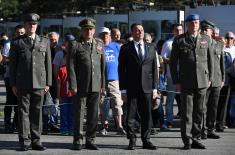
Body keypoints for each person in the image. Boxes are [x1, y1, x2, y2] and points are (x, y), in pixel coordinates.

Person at [170, 14, 213, 150]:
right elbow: (173, 63)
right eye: (192, 22)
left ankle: (196, 138)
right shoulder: (179, 40)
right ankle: (187, 140)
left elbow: (211, 60)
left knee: (199, 112)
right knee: (187, 113)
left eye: (196, 22)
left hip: (202, 80)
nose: (195, 24)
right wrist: (176, 81)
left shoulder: (206, 39)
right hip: (186, 81)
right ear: (187, 25)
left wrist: (210, 77)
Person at [9, 13, 52, 151]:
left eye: (34, 24)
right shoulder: (17, 42)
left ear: (37, 26)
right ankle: (25, 141)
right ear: (25, 25)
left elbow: (48, 64)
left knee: (37, 112)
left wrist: (48, 83)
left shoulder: (44, 41)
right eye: (29, 24)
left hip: (40, 83)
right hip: (23, 83)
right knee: (23, 113)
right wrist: (13, 84)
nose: (32, 26)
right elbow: (13, 66)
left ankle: (36, 140)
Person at [118, 23, 158, 150]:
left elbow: (154, 69)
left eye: (141, 30)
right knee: (130, 115)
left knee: (147, 115)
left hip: (147, 87)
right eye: (136, 30)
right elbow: (121, 70)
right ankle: (132, 139)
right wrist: (123, 89)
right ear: (132, 32)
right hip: (131, 87)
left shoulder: (151, 47)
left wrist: (155, 88)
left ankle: (146, 140)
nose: (139, 32)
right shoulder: (126, 48)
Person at [67, 18, 105, 150]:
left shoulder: (99, 43)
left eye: (91, 29)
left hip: (95, 85)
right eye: (86, 29)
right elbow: (70, 66)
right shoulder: (75, 44)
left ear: (94, 30)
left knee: (93, 115)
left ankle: (91, 140)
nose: (88, 31)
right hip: (80, 86)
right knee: (79, 114)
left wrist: (103, 85)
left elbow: (102, 66)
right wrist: (72, 85)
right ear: (82, 30)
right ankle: (78, 141)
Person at [98, 27, 126, 135]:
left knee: (117, 103)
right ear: (99, 36)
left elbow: (122, 62)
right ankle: (103, 126)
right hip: (100, 80)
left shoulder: (116, 46)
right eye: (102, 34)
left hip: (114, 79)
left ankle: (119, 126)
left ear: (110, 35)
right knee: (102, 104)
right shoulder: (97, 47)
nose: (105, 36)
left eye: (106, 34)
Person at [200, 20, 224, 139]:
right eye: (203, 29)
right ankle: (202, 130)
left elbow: (221, 63)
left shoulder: (218, 44)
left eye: (207, 30)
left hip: (216, 80)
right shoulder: (200, 44)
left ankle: (211, 129)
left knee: (213, 107)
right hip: (204, 80)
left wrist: (223, 78)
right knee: (203, 107)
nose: (205, 32)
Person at [161, 23, 183, 129]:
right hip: (171, 76)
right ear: (173, 31)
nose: (179, 31)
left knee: (185, 100)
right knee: (170, 100)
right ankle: (169, 120)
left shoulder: (185, 41)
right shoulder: (168, 43)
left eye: (180, 30)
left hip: (185, 76)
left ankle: (185, 121)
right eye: (176, 30)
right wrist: (174, 60)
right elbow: (163, 58)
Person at [53, 34, 75, 136]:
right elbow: (56, 74)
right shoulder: (59, 55)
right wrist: (58, 94)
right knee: (64, 111)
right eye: (68, 42)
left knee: (72, 111)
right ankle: (64, 128)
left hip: (73, 88)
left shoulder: (76, 52)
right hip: (63, 88)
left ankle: (71, 128)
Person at [216, 31, 235, 131]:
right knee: (218, 103)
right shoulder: (218, 50)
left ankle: (224, 122)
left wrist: (226, 71)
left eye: (231, 38)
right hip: (218, 80)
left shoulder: (232, 51)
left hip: (230, 81)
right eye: (227, 38)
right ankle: (218, 122)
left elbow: (233, 67)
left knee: (227, 103)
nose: (228, 40)